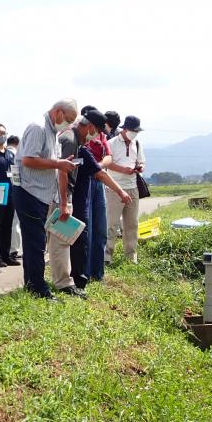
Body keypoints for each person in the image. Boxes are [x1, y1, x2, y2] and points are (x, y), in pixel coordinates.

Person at [55, 109, 132, 295]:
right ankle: (72, 281)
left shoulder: (82, 147)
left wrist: (120, 191)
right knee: (71, 241)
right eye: (97, 131)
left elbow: (100, 173)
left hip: (76, 198)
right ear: (90, 127)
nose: (97, 136)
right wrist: (64, 201)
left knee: (79, 238)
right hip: (67, 198)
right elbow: (62, 172)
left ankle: (77, 279)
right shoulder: (70, 141)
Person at [14, 99, 79, 299]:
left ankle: (33, 284)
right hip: (29, 192)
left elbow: (58, 168)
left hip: (43, 195)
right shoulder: (38, 128)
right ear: (58, 112)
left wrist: (61, 200)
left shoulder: (54, 134)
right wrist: (57, 163)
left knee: (37, 242)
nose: (67, 125)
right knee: (36, 243)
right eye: (67, 120)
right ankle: (38, 289)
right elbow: (28, 159)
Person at [106, 115, 146, 264]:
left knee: (132, 224)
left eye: (137, 131)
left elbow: (142, 161)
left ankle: (131, 256)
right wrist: (123, 169)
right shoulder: (112, 143)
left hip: (132, 187)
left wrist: (139, 167)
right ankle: (107, 256)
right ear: (125, 129)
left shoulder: (137, 144)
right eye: (133, 130)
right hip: (115, 187)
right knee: (112, 223)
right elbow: (107, 164)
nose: (134, 133)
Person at [83, 106, 113, 281]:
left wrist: (98, 165)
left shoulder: (100, 135)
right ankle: (85, 272)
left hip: (98, 179)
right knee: (88, 229)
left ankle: (98, 272)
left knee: (100, 229)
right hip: (85, 181)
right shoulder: (76, 135)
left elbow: (109, 157)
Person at [0, 123, 19, 267]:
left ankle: (7, 255)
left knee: (8, 224)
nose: (2, 136)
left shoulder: (9, 153)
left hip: (11, 191)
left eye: (4, 133)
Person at [7, 135, 23, 260]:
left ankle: (8, 249)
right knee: (15, 223)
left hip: (1, 192)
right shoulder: (15, 155)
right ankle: (14, 249)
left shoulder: (3, 153)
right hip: (14, 191)